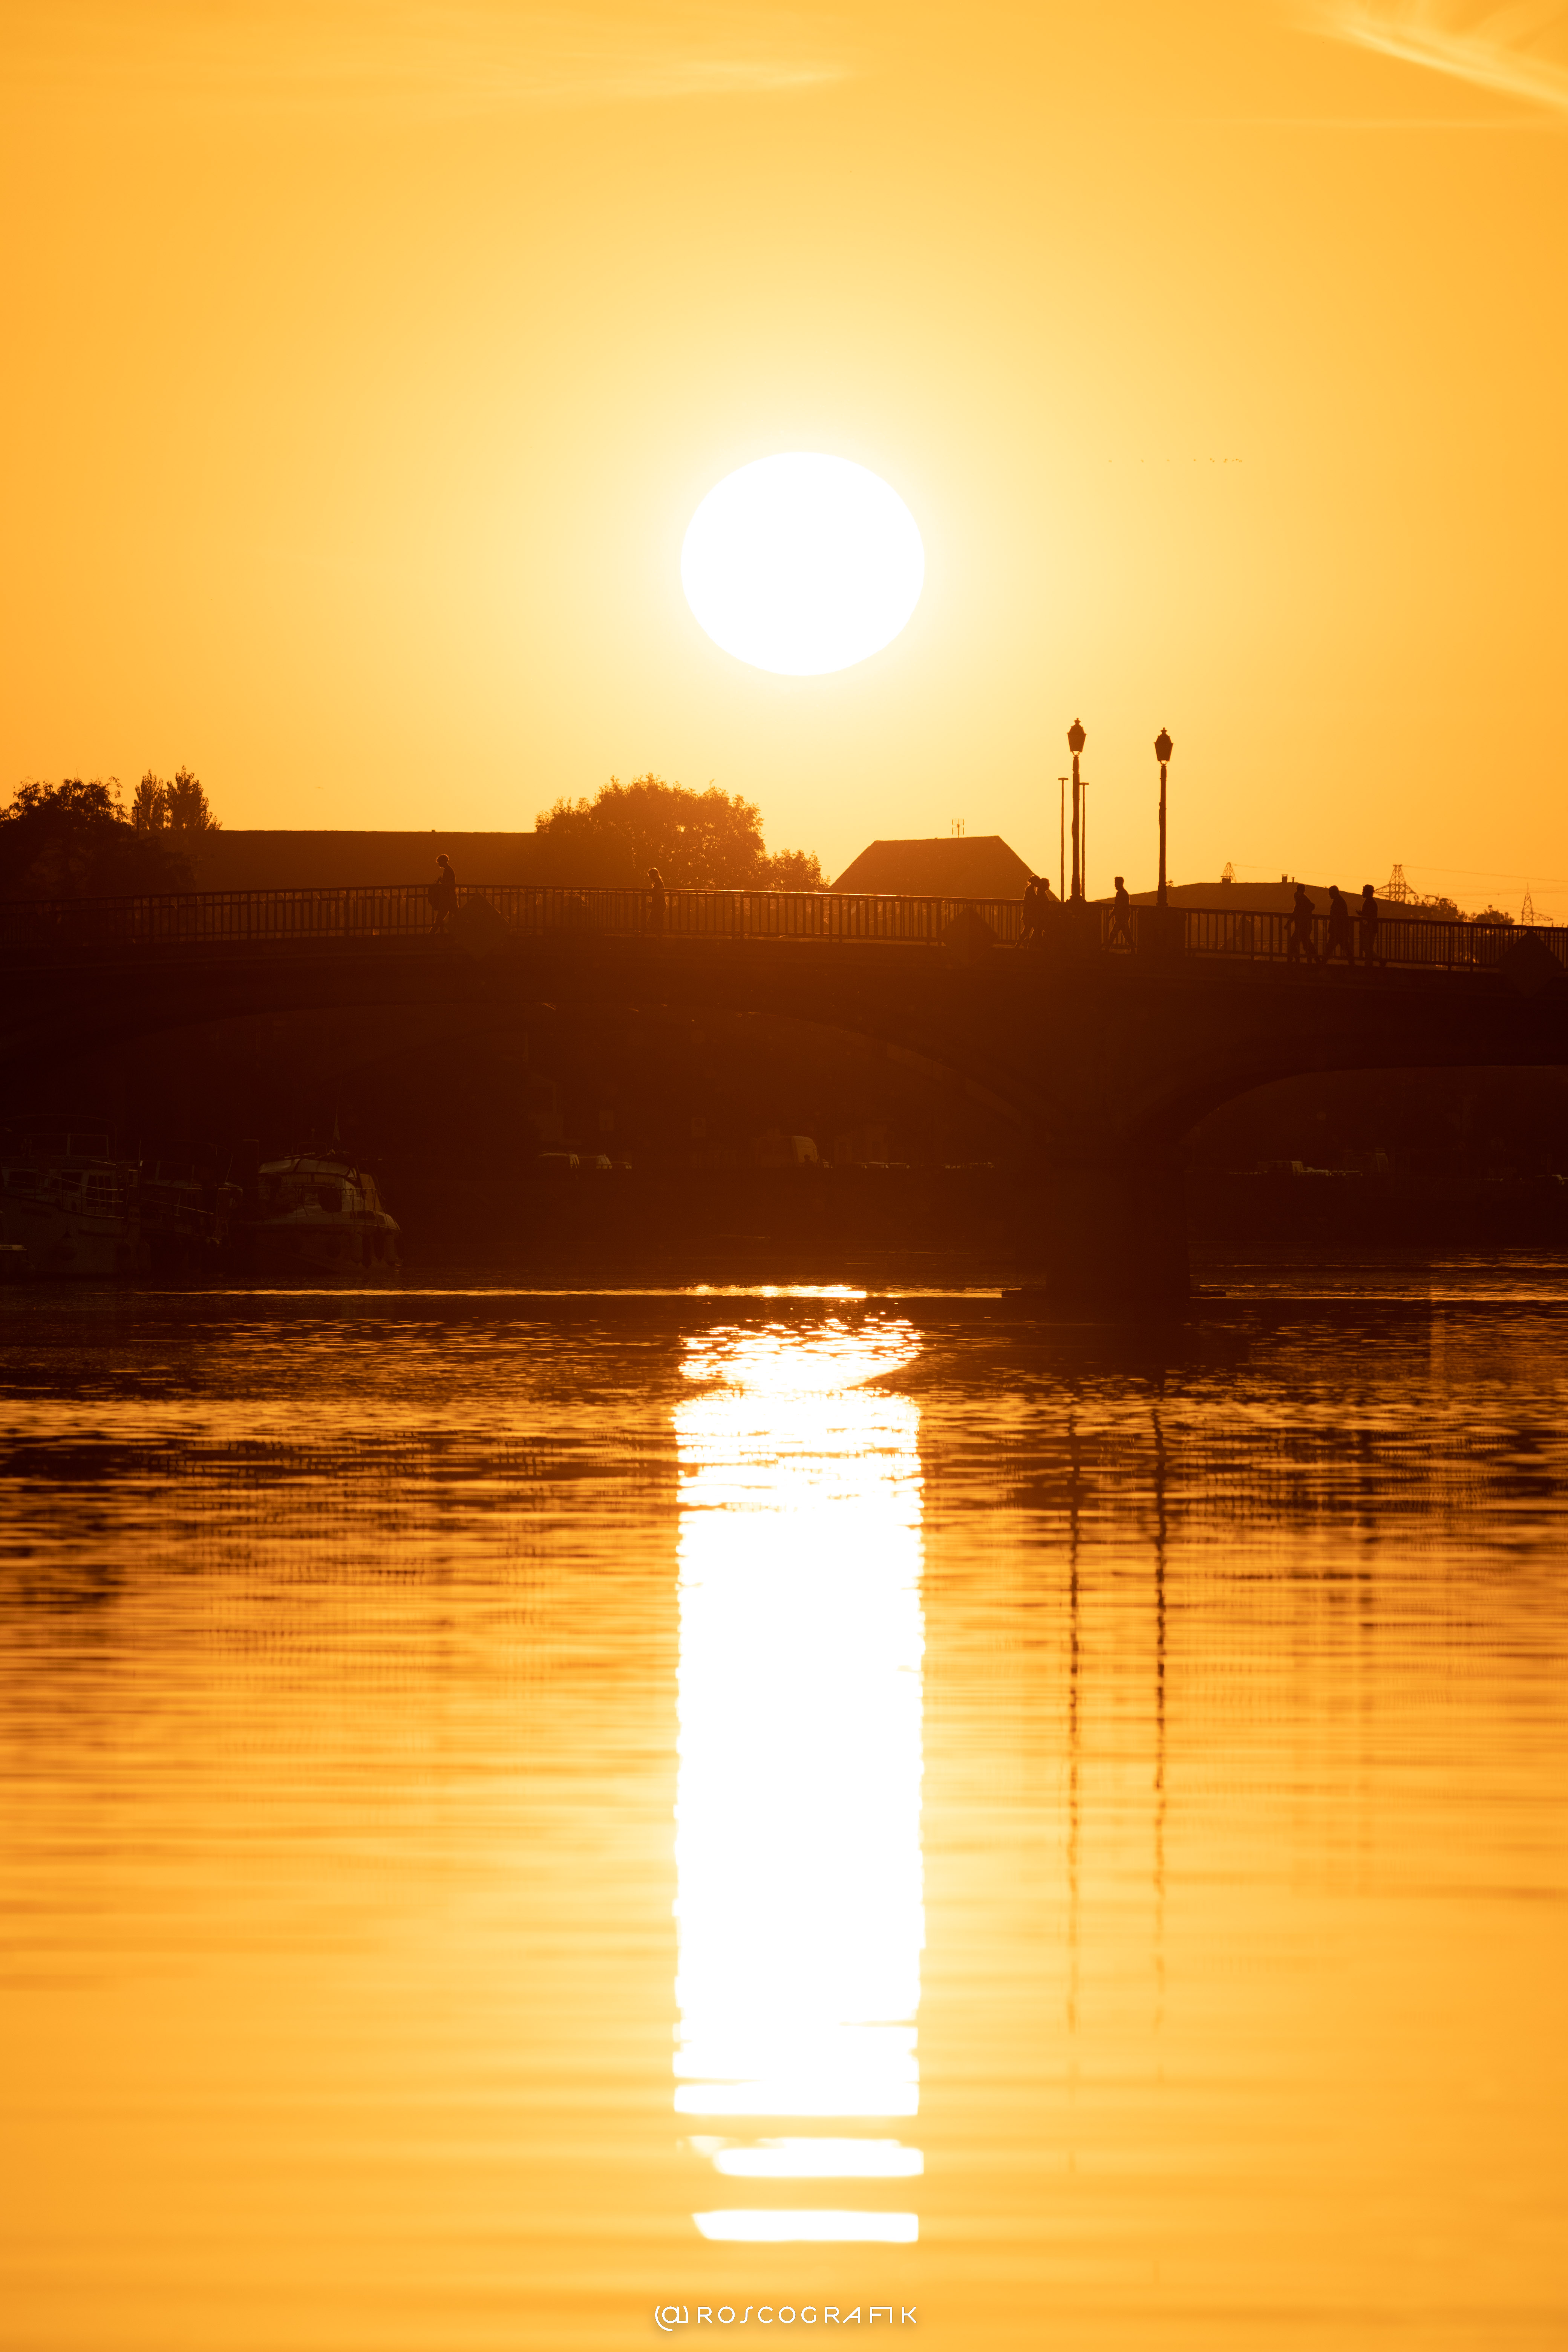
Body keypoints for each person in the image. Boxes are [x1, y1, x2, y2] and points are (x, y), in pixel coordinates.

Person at [1287, 881, 1318, 965]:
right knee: (1306, 944)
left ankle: (1295, 959)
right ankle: (1315, 959)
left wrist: (1289, 922)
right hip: (1304, 926)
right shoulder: (1303, 899)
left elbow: (1296, 912)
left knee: (1294, 943)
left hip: (1302, 927)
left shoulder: (1301, 899)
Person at [427, 852, 457, 934]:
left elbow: (449, 884)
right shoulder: (449, 870)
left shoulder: (448, 870)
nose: (439, 864)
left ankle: (431, 934)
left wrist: (441, 881)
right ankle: (468, 930)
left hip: (448, 898)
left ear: (444, 861)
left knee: (440, 917)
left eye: (440, 862)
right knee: (456, 915)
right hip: (451, 898)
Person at [1325, 883, 1354, 963]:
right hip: (1341, 929)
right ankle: (1352, 962)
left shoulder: (1338, 902)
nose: (1329, 895)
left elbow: (1337, 916)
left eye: (1330, 893)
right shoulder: (1340, 900)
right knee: (1344, 946)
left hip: (1338, 929)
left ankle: (1323, 961)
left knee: (1331, 946)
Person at [1109, 874, 1134, 949]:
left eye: (1116, 883)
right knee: (1127, 936)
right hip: (1123, 919)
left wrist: (1110, 917)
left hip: (1121, 919)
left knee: (1113, 935)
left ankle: (1106, 950)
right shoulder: (1124, 893)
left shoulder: (1121, 893)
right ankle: (1133, 951)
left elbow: (1117, 907)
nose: (1115, 885)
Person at [1359, 883, 1380, 965]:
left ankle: (1379, 959)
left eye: (1364, 891)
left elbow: (1369, 916)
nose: (1362, 893)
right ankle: (1369, 963)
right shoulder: (1371, 902)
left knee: (1365, 946)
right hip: (1371, 928)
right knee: (1368, 946)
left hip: (1369, 928)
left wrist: (1362, 915)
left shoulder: (1369, 902)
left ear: (1367, 892)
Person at [647, 865, 666, 935]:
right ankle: (658, 936)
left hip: (658, 907)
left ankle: (657, 936)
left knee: (651, 923)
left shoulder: (658, 883)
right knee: (657, 923)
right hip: (660, 906)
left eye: (650, 876)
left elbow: (656, 894)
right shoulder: (659, 882)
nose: (650, 878)